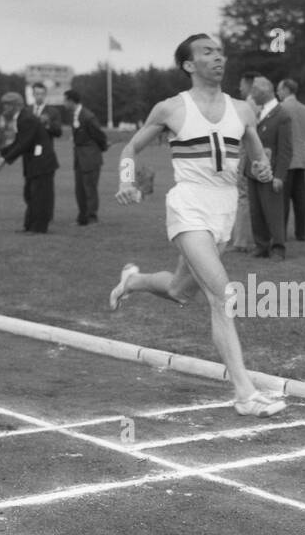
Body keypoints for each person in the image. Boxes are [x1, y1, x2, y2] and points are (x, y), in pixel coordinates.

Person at [107, 33, 286, 418]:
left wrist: (262, 166)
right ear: (189, 65)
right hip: (188, 207)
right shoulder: (171, 108)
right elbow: (129, 148)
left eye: (221, 52)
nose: (218, 58)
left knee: (179, 290)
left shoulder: (243, 110)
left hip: (222, 212)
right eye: (208, 52)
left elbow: (258, 153)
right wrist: (126, 180)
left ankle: (132, 281)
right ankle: (245, 393)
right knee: (223, 295)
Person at [0, 91, 58, 233]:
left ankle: (38, 228)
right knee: (30, 194)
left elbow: (24, 143)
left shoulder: (25, 118)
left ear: (16, 106)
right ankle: (29, 226)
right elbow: (20, 141)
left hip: (42, 162)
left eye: (7, 104)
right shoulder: (21, 117)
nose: (4, 107)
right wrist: (2, 152)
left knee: (39, 196)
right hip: (35, 162)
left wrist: (4, 160)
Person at [248, 76, 291, 259]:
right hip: (254, 171)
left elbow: (285, 149)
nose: (252, 95)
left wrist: (280, 176)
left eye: (254, 91)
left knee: (273, 211)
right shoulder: (258, 112)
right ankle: (261, 245)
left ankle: (278, 247)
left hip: (271, 172)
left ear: (264, 91)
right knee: (256, 211)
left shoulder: (282, 114)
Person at [63, 89, 108, 225]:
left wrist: (101, 148)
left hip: (90, 158)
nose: (64, 103)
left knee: (89, 189)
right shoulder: (74, 115)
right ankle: (82, 218)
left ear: (71, 101)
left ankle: (91, 217)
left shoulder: (88, 116)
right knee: (80, 190)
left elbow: (99, 135)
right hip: (79, 159)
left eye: (65, 100)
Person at [228, 71, 260, 253]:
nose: (239, 88)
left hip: (245, 157)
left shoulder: (247, 106)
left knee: (243, 197)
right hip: (250, 157)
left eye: (242, 84)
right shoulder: (256, 105)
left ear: (249, 85)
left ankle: (241, 241)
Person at [276, 78, 305, 241]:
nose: (277, 92)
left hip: (286, 160)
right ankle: (301, 233)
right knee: (300, 200)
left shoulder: (281, 108)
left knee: (283, 201)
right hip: (301, 160)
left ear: (286, 90)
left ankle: (281, 232)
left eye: (279, 89)